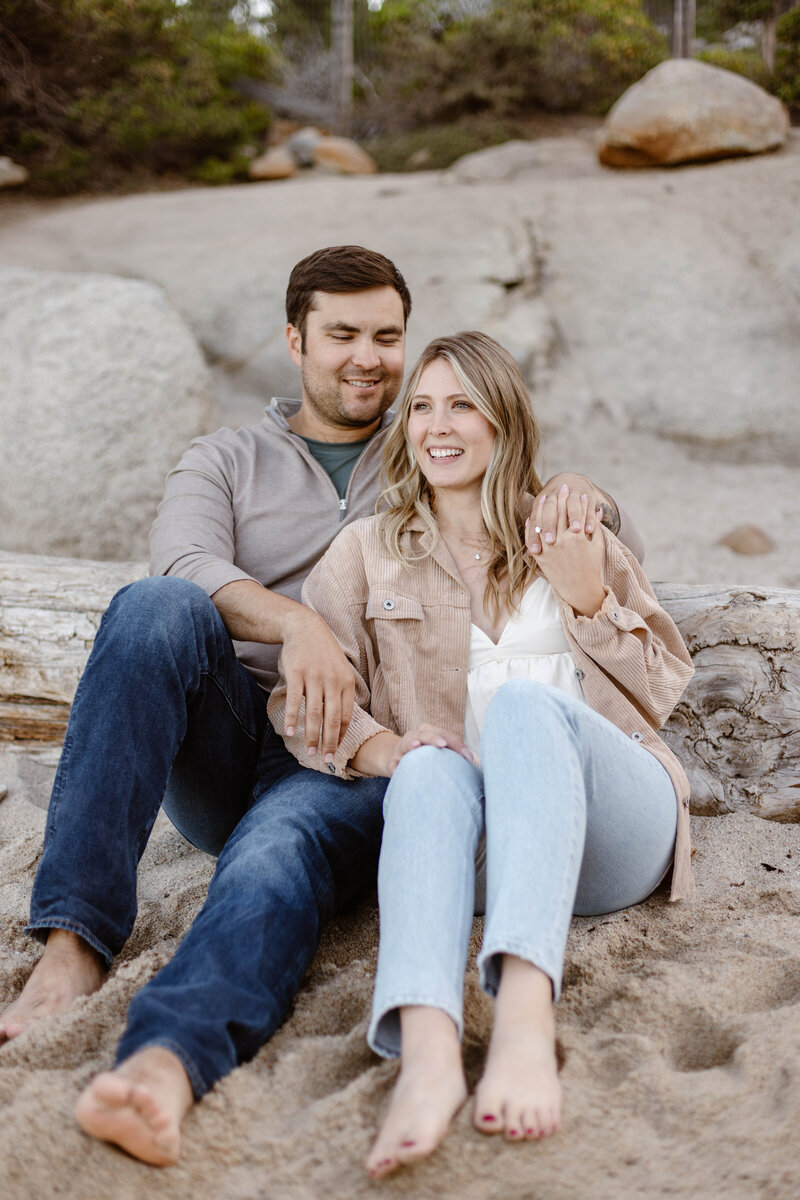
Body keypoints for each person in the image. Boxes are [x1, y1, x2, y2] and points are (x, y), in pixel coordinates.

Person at [0, 248, 639, 1168]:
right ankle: (74, 943)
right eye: (342, 335)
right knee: (154, 611)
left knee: (272, 859)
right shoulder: (227, 458)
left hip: (368, 752)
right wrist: (296, 623)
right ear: (295, 340)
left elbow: (562, 511)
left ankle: (164, 1069)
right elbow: (182, 563)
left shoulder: (427, 441)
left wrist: (591, 493)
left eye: (387, 337)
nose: (367, 358)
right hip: (236, 733)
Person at [269, 331, 694, 1179]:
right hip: (476, 855)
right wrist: (383, 745)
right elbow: (302, 705)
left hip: (612, 833)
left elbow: (662, 688)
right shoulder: (366, 552)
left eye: (461, 402)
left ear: (504, 419)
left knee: (530, 708)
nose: (437, 424)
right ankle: (427, 1055)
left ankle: (525, 1021)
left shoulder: (571, 530)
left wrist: (586, 598)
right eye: (421, 405)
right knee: (428, 766)